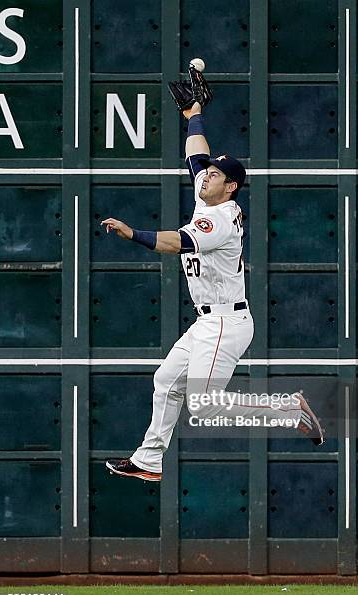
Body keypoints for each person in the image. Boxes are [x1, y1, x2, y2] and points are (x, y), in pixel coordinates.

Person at [102, 102, 323, 482]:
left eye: (214, 175)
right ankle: (149, 460)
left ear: (231, 186)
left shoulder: (220, 219)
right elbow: (197, 156)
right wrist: (194, 116)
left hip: (225, 320)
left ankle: (289, 410)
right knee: (166, 381)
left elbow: (176, 243)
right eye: (206, 173)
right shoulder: (209, 198)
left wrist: (132, 234)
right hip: (210, 320)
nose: (204, 177)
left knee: (203, 407)